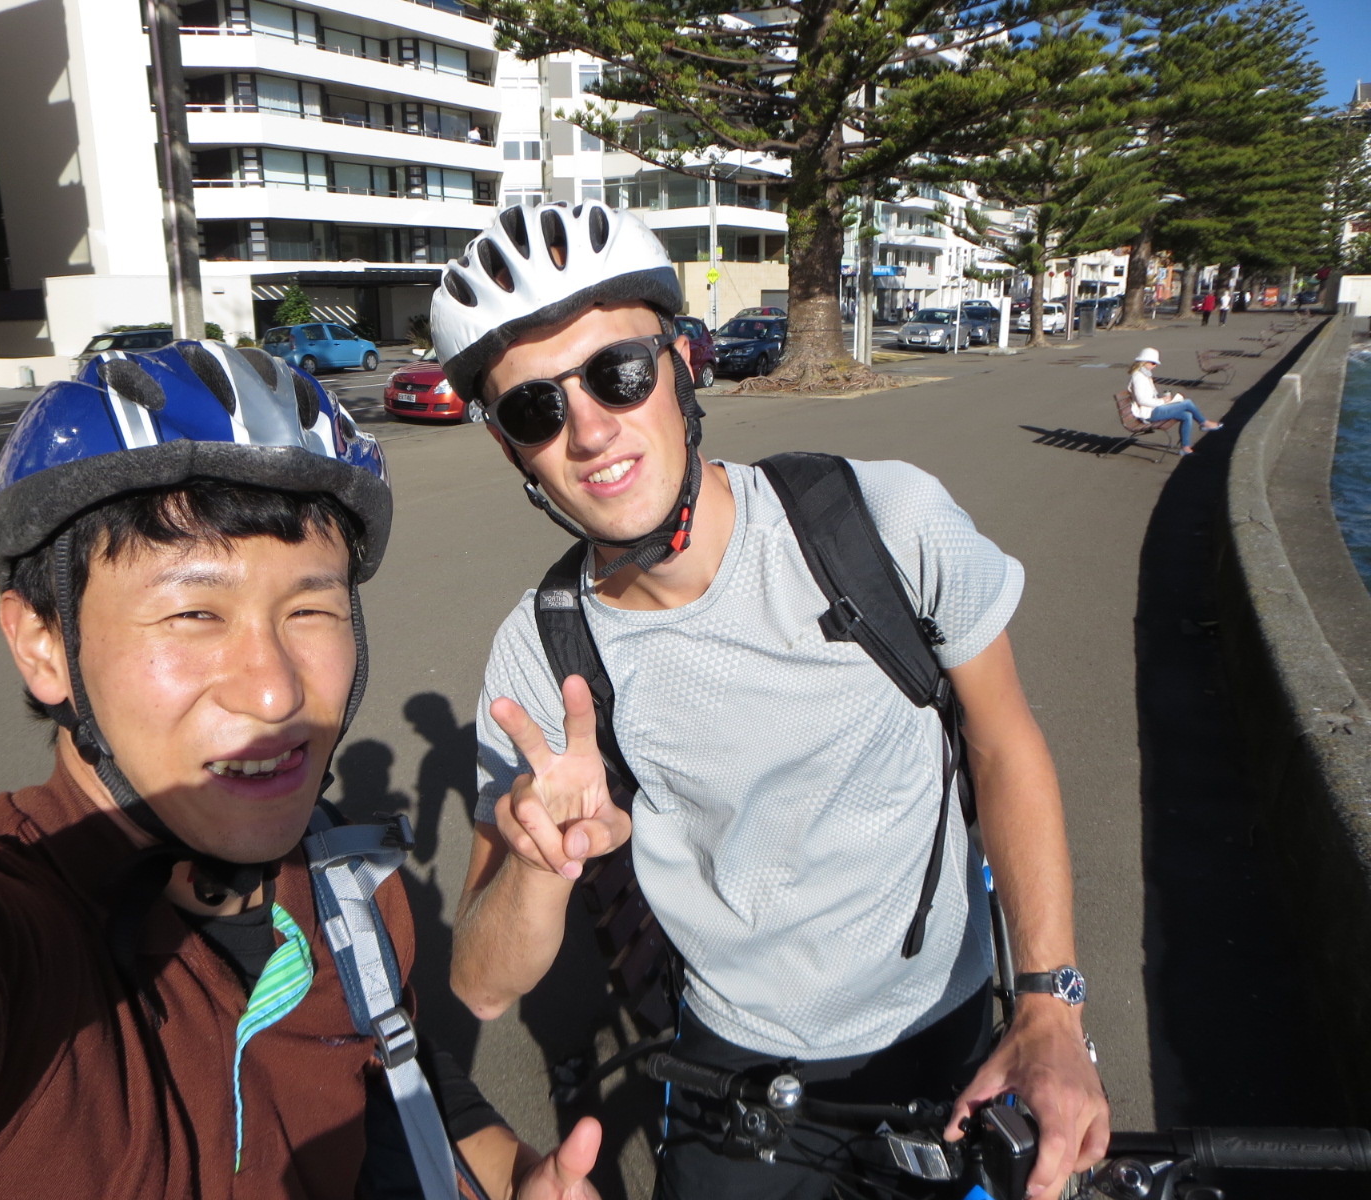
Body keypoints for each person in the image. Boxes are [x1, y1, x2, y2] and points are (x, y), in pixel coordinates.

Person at [0, 341, 601, 1200]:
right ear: (42, 644)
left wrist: (508, 1179)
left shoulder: (354, 897)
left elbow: (399, 1078)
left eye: (311, 607)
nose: (277, 691)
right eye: (194, 611)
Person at [429, 201, 1109, 1200]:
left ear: (680, 365)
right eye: (533, 408)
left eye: (617, 372)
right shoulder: (540, 660)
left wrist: (1050, 1005)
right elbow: (482, 985)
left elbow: (1005, 745)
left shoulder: (878, 523)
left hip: (944, 1036)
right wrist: (539, 866)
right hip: (730, 1071)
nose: (586, 428)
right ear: (509, 449)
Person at [1128, 346, 1222, 455]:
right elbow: (1141, 400)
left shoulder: (1144, 375)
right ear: (1144, 362)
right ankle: (1204, 423)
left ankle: (1185, 447)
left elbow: (1147, 397)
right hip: (1148, 413)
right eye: (1153, 363)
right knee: (1187, 403)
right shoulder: (1139, 377)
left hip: (1153, 409)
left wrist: (1163, 399)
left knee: (1187, 415)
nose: (1155, 366)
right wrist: (1162, 401)